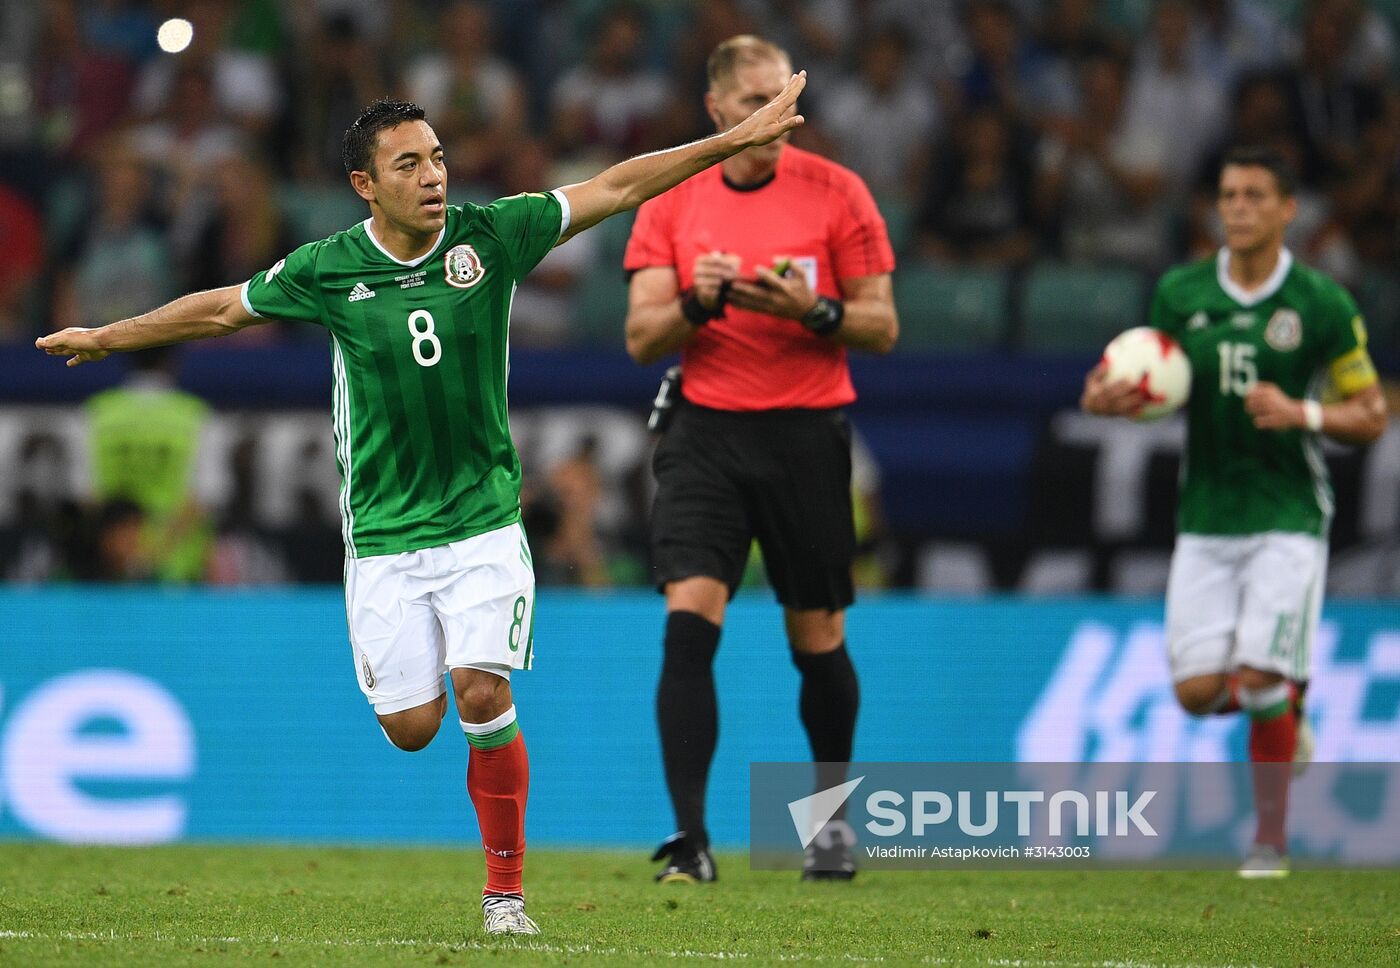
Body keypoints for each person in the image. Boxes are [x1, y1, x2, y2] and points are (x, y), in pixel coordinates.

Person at [36, 82, 808, 934]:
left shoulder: (493, 236)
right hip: (384, 536)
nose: (433, 176)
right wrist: (110, 336)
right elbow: (222, 309)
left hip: (482, 521)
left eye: (437, 157)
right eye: (409, 164)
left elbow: (618, 186)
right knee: (412, 727)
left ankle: (505, 897)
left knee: (482, 691)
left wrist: (732, 140)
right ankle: (463, 791)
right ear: (367, 184)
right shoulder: (328, 268)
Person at [623, 35, 898, 884]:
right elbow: (641, 337)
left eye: (783, 98)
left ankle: (828, 828)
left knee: (816, 638)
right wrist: (699, 303)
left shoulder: (838, 192)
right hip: (706, 433)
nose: (773, 116)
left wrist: (814, 310)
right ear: (716, 113)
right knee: (687, 623)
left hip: (807, 435)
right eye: (753, 102)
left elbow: (882, 325)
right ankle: (690, 842)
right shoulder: (673, 196)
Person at [1081, 146, 1387, 878]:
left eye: (1255, 196)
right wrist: (1108, 401)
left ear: (1287, 210)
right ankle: (1287, 705)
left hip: (1287, 510)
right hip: (1207, 513)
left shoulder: (1321, 303)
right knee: (1195, 694)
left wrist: (1302, 410)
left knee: (1253, 677)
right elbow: (1149, 386)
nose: (1239, 208)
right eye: (1228, 195)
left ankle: (1269, 840)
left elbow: (1371, 413)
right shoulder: (1181, 293)